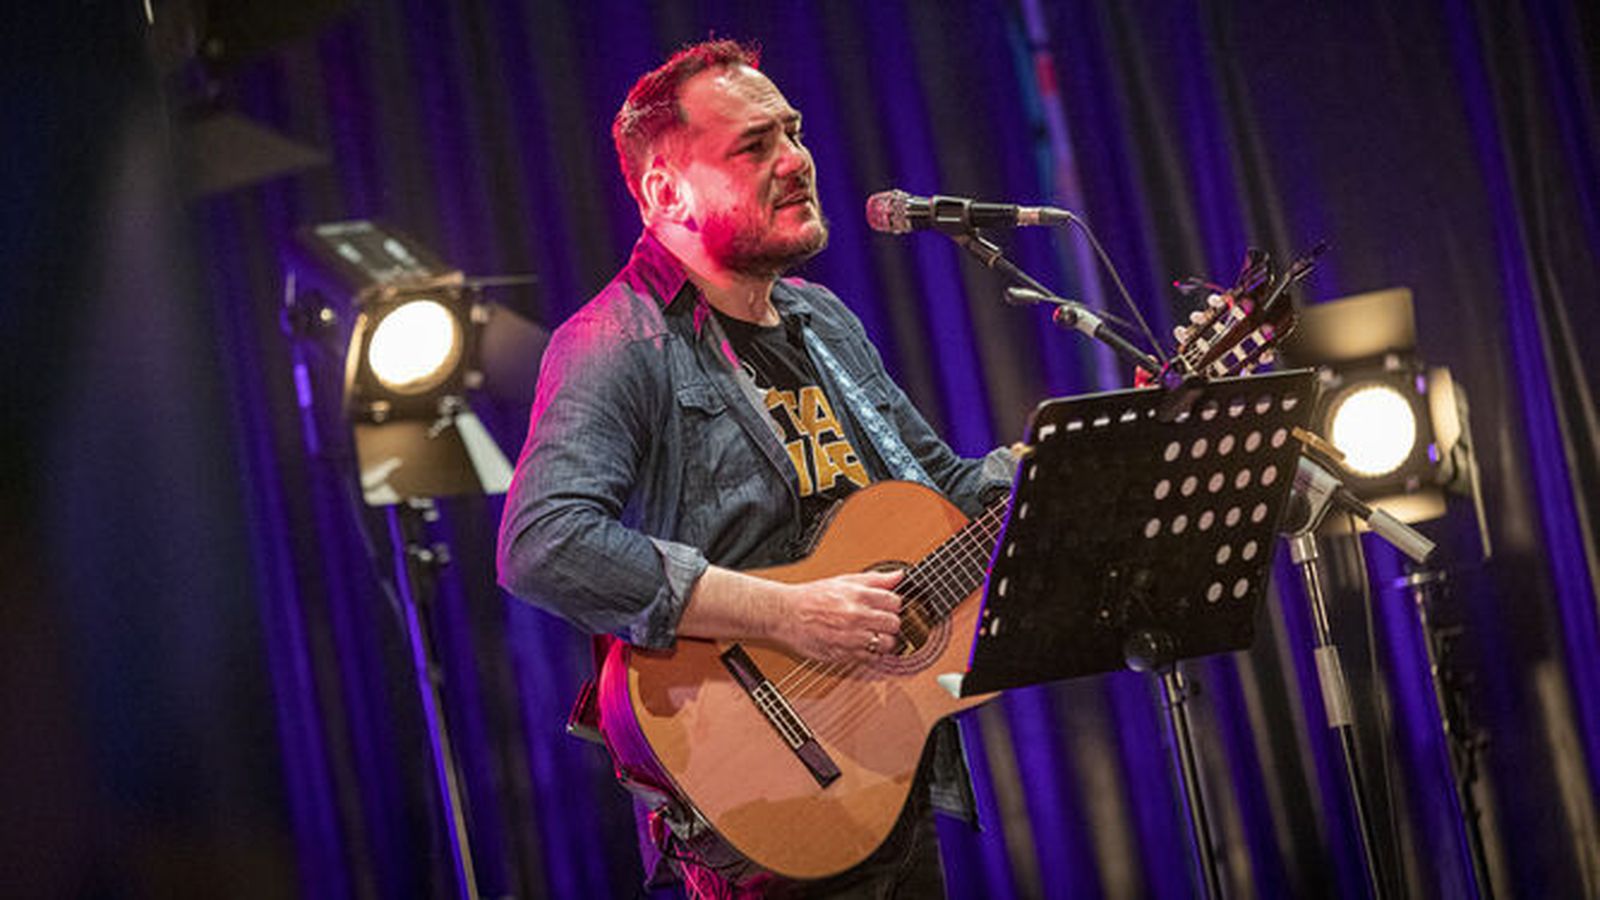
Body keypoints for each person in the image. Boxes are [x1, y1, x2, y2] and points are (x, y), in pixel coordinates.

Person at [497, 39, 1014, 898]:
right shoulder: (616, 342)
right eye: (754, 146)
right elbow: (541, 543)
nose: (797, 161)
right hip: (756, 805)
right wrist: (788, 614)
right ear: (665, 191)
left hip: (882, 768)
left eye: (794, 132)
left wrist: (1068, 458)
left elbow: (945, 497)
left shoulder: (825, 322)